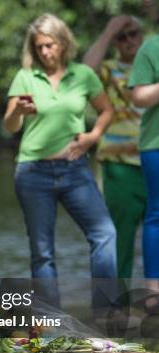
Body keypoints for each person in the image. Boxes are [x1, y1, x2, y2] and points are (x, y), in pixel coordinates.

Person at [3, 14, 116, 313]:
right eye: (39, 47)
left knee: (104, 234)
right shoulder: (25, 76)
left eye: (50, 45)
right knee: (42, 253)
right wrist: (20, 111)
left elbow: (106, 111)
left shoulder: (83, 75)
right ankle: (50, 324)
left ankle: (107, 314)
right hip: (32, 172)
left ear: (63, 43)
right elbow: (10, 126)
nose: (44, 52)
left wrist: (92, 137)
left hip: (75, 169)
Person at [84, 16, 145, 280]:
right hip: (120, 165)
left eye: (134, 34)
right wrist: (109, 30)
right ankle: (117, 303)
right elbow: (85, 72)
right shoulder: (109, 69)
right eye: (123, 36)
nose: (129, 40)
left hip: (154, 159)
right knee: (120, 236)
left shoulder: (153, 66)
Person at [129, 34, 159, 312]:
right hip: (156, 145)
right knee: (157, 214)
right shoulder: (151, 46)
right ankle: (154, 292)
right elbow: (138, 97)